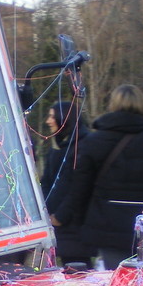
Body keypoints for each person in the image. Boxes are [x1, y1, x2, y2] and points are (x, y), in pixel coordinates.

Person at [51, 84, 143, 269]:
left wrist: (84, 223)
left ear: (113, 105)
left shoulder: (94, 142)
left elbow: (80, 188)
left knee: (117, 282)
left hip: (107, 226)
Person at [41, 101, 94, 267]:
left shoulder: (82, 145)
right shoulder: (58, 146)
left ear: (64, 118)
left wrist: (61, 216)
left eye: (52, 116)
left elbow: (79, 186)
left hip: (73, 224)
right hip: (56, 221)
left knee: (77, 271)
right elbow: (48, 182)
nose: (48, 121)